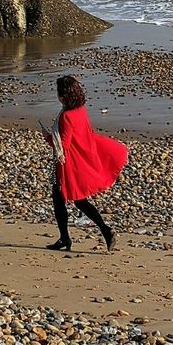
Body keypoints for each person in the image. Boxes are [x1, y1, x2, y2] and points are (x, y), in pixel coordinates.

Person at [41, 75, 128, 252]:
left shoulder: (66, 115)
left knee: (64, 200)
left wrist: (48, 137)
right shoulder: (80, 109)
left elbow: (63, 145)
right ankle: (98, 232)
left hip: (68, 165)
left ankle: (79, 236)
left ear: (63, 96)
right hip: (80, 160)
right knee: (77, 200)